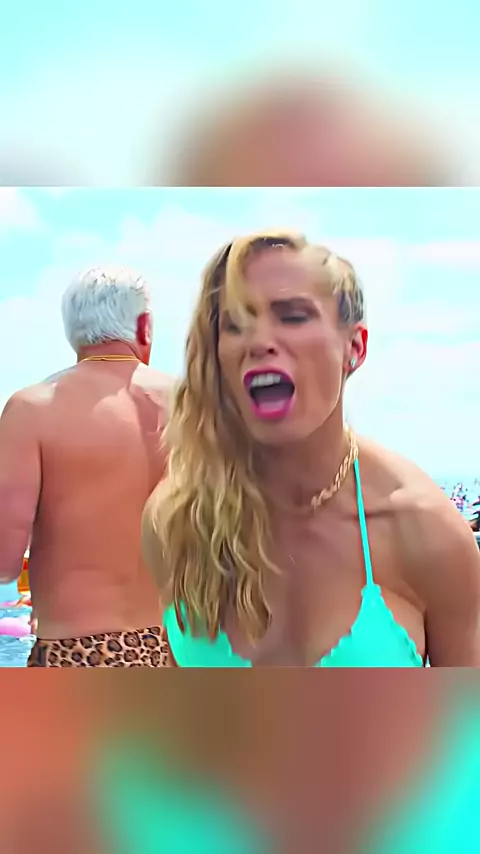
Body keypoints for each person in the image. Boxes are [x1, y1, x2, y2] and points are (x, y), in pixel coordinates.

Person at [142, 230, 480, 667]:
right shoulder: (178, 522)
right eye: (235, 324)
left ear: (354, 348)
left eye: (293, 316)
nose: (259, 341)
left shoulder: (424, 532)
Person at [0, 265, 173, 666]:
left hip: (76, 654)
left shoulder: (33, 409)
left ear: (72, 330)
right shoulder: (192, 407)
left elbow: (5, 561)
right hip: (173, 654)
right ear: (144, 326)